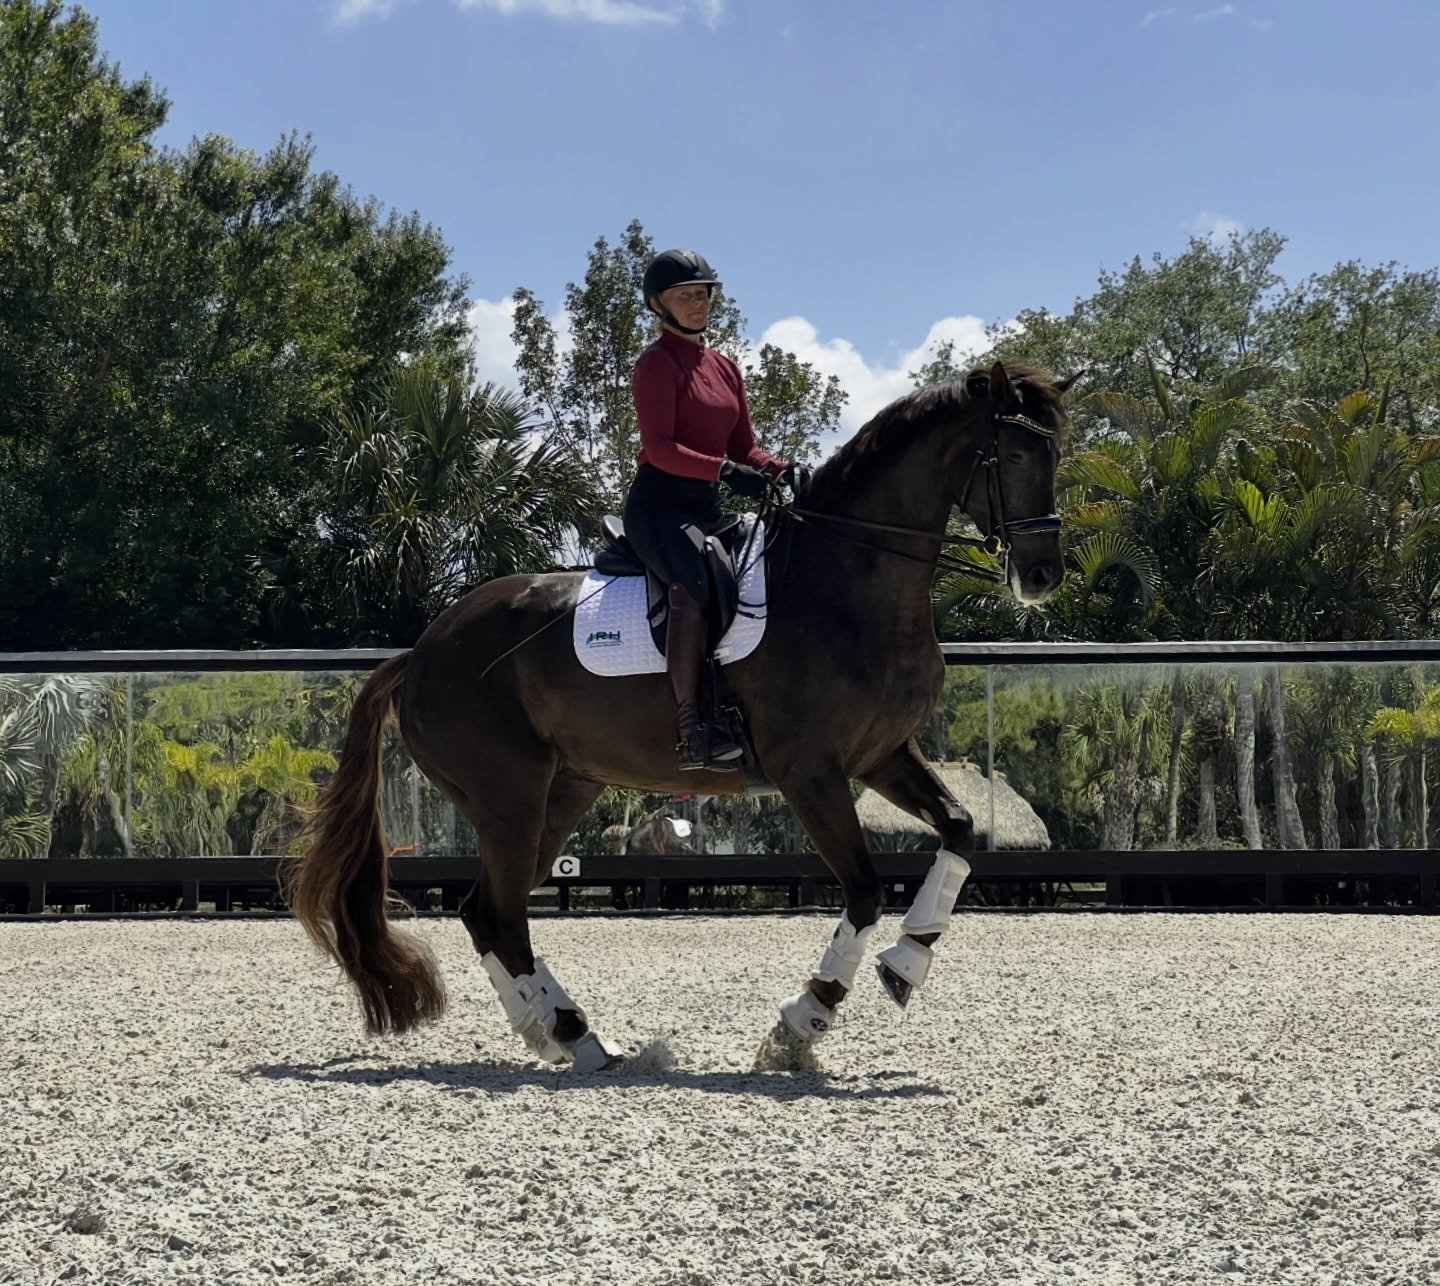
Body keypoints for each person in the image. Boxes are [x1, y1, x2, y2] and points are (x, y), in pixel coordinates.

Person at [624, 248, 791, 772]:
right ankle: (692, 727)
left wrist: (780, 470)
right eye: (685, 296)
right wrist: (723, 470)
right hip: (659, 507)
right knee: (693, 582)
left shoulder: (725, 368)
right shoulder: (655, 365)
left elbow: (745, 447)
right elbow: (660, 448)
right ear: (658, 305)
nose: (697, 304)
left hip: (707, 507)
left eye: (702, 294)